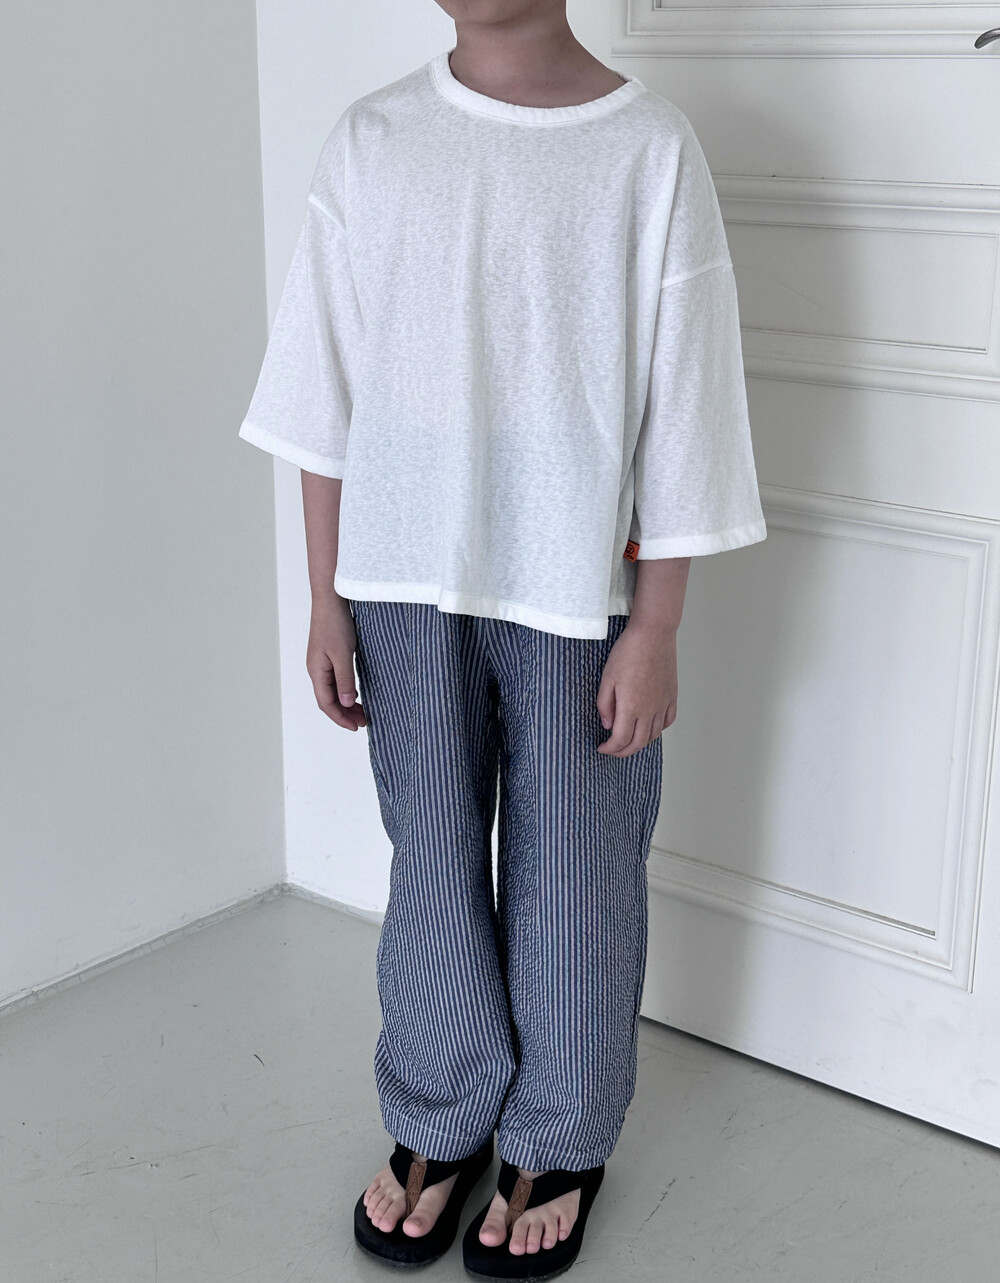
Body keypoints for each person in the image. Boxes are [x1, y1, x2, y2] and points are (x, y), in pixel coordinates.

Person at [238, 2, 766, 1276]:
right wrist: (325, 594)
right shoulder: (374, 138)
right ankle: (440, 1105)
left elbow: (687, 403)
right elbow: (323, 386)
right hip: (399, 575)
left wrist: (659, 621)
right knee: (429, 854)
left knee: (578, 870)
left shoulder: (647, 148)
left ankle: (559, 1132)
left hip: (576, 583)